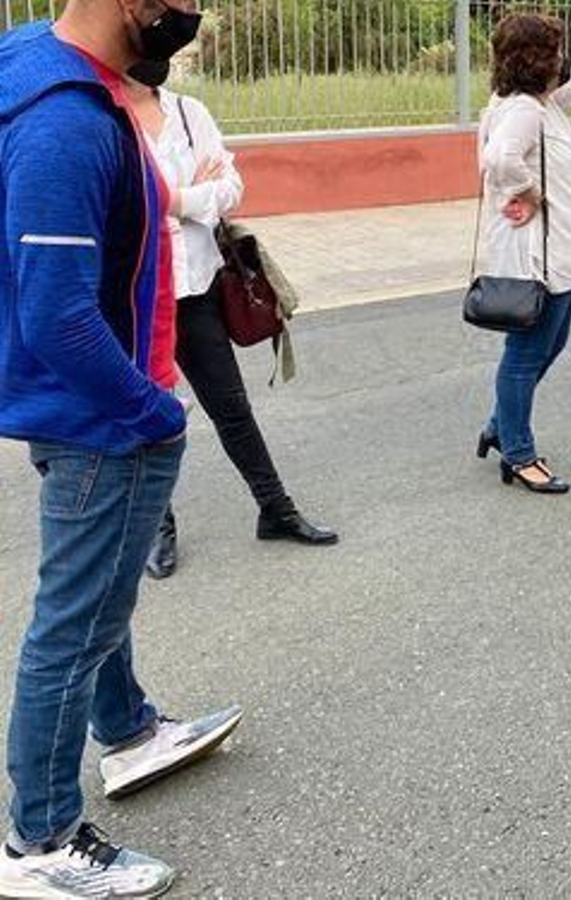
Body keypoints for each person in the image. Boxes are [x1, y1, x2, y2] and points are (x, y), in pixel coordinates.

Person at [0, 3, 244, 896]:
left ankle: (130, 731)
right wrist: (153, 411)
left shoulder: (42, 63)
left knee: (99, 589)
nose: (190, 10)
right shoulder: (65, 117)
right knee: (74, 625)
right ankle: (41, 839)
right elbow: (57, 315)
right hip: (103, 417)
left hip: (91, 406)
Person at [121, 63, 338, 580]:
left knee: (232, 410)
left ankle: (275, 509)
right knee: (148, 418)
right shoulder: (104, 117)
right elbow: (120, 206)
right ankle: (158, 526)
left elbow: (230, 188)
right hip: (134, 299)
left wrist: (174, 200)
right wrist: (191, 198)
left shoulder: (189, 113)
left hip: (197, 289)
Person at [474, 14, 571, 493]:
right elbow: (498, 159)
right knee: (525, 354)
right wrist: (530, 191)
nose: (562, 60)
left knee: (549, 344)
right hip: (537, 258)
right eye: (555, 52)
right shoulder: (522, 110)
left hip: (561, 252)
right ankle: (518, 454)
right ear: (535, 60)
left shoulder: (541, 102)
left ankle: (501, 427)